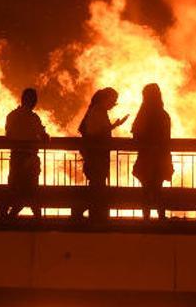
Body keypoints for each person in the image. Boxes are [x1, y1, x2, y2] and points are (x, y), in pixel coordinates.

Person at [73, 88, 129, 221]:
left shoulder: (97, 110)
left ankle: (92, 212)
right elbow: (95, 133)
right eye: (113, 101)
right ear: (106, 99)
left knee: (96, 185)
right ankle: (88, 212)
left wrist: (114, 126)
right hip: (96, 156)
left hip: (96, 156)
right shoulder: (98, 111)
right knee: (97, 185)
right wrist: (113, 126)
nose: (113, 104)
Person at [2, 88, 49, 218]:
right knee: (31, 188)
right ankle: (37, 217)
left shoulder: (12, 116)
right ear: (34, 101)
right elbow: (41, 135)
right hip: (30, 157)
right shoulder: (33, 118)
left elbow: (8, 135)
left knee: (14, 187)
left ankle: (6, 215)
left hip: (16, 156)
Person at [132, 83, 174, 221]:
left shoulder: (143, 113)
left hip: (146, 157)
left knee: (146, 188)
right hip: (160, 157)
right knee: (157, 188)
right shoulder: (163, 114)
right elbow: (166, 137)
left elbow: (136, 132)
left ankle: (146, 217)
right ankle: (161, 216)